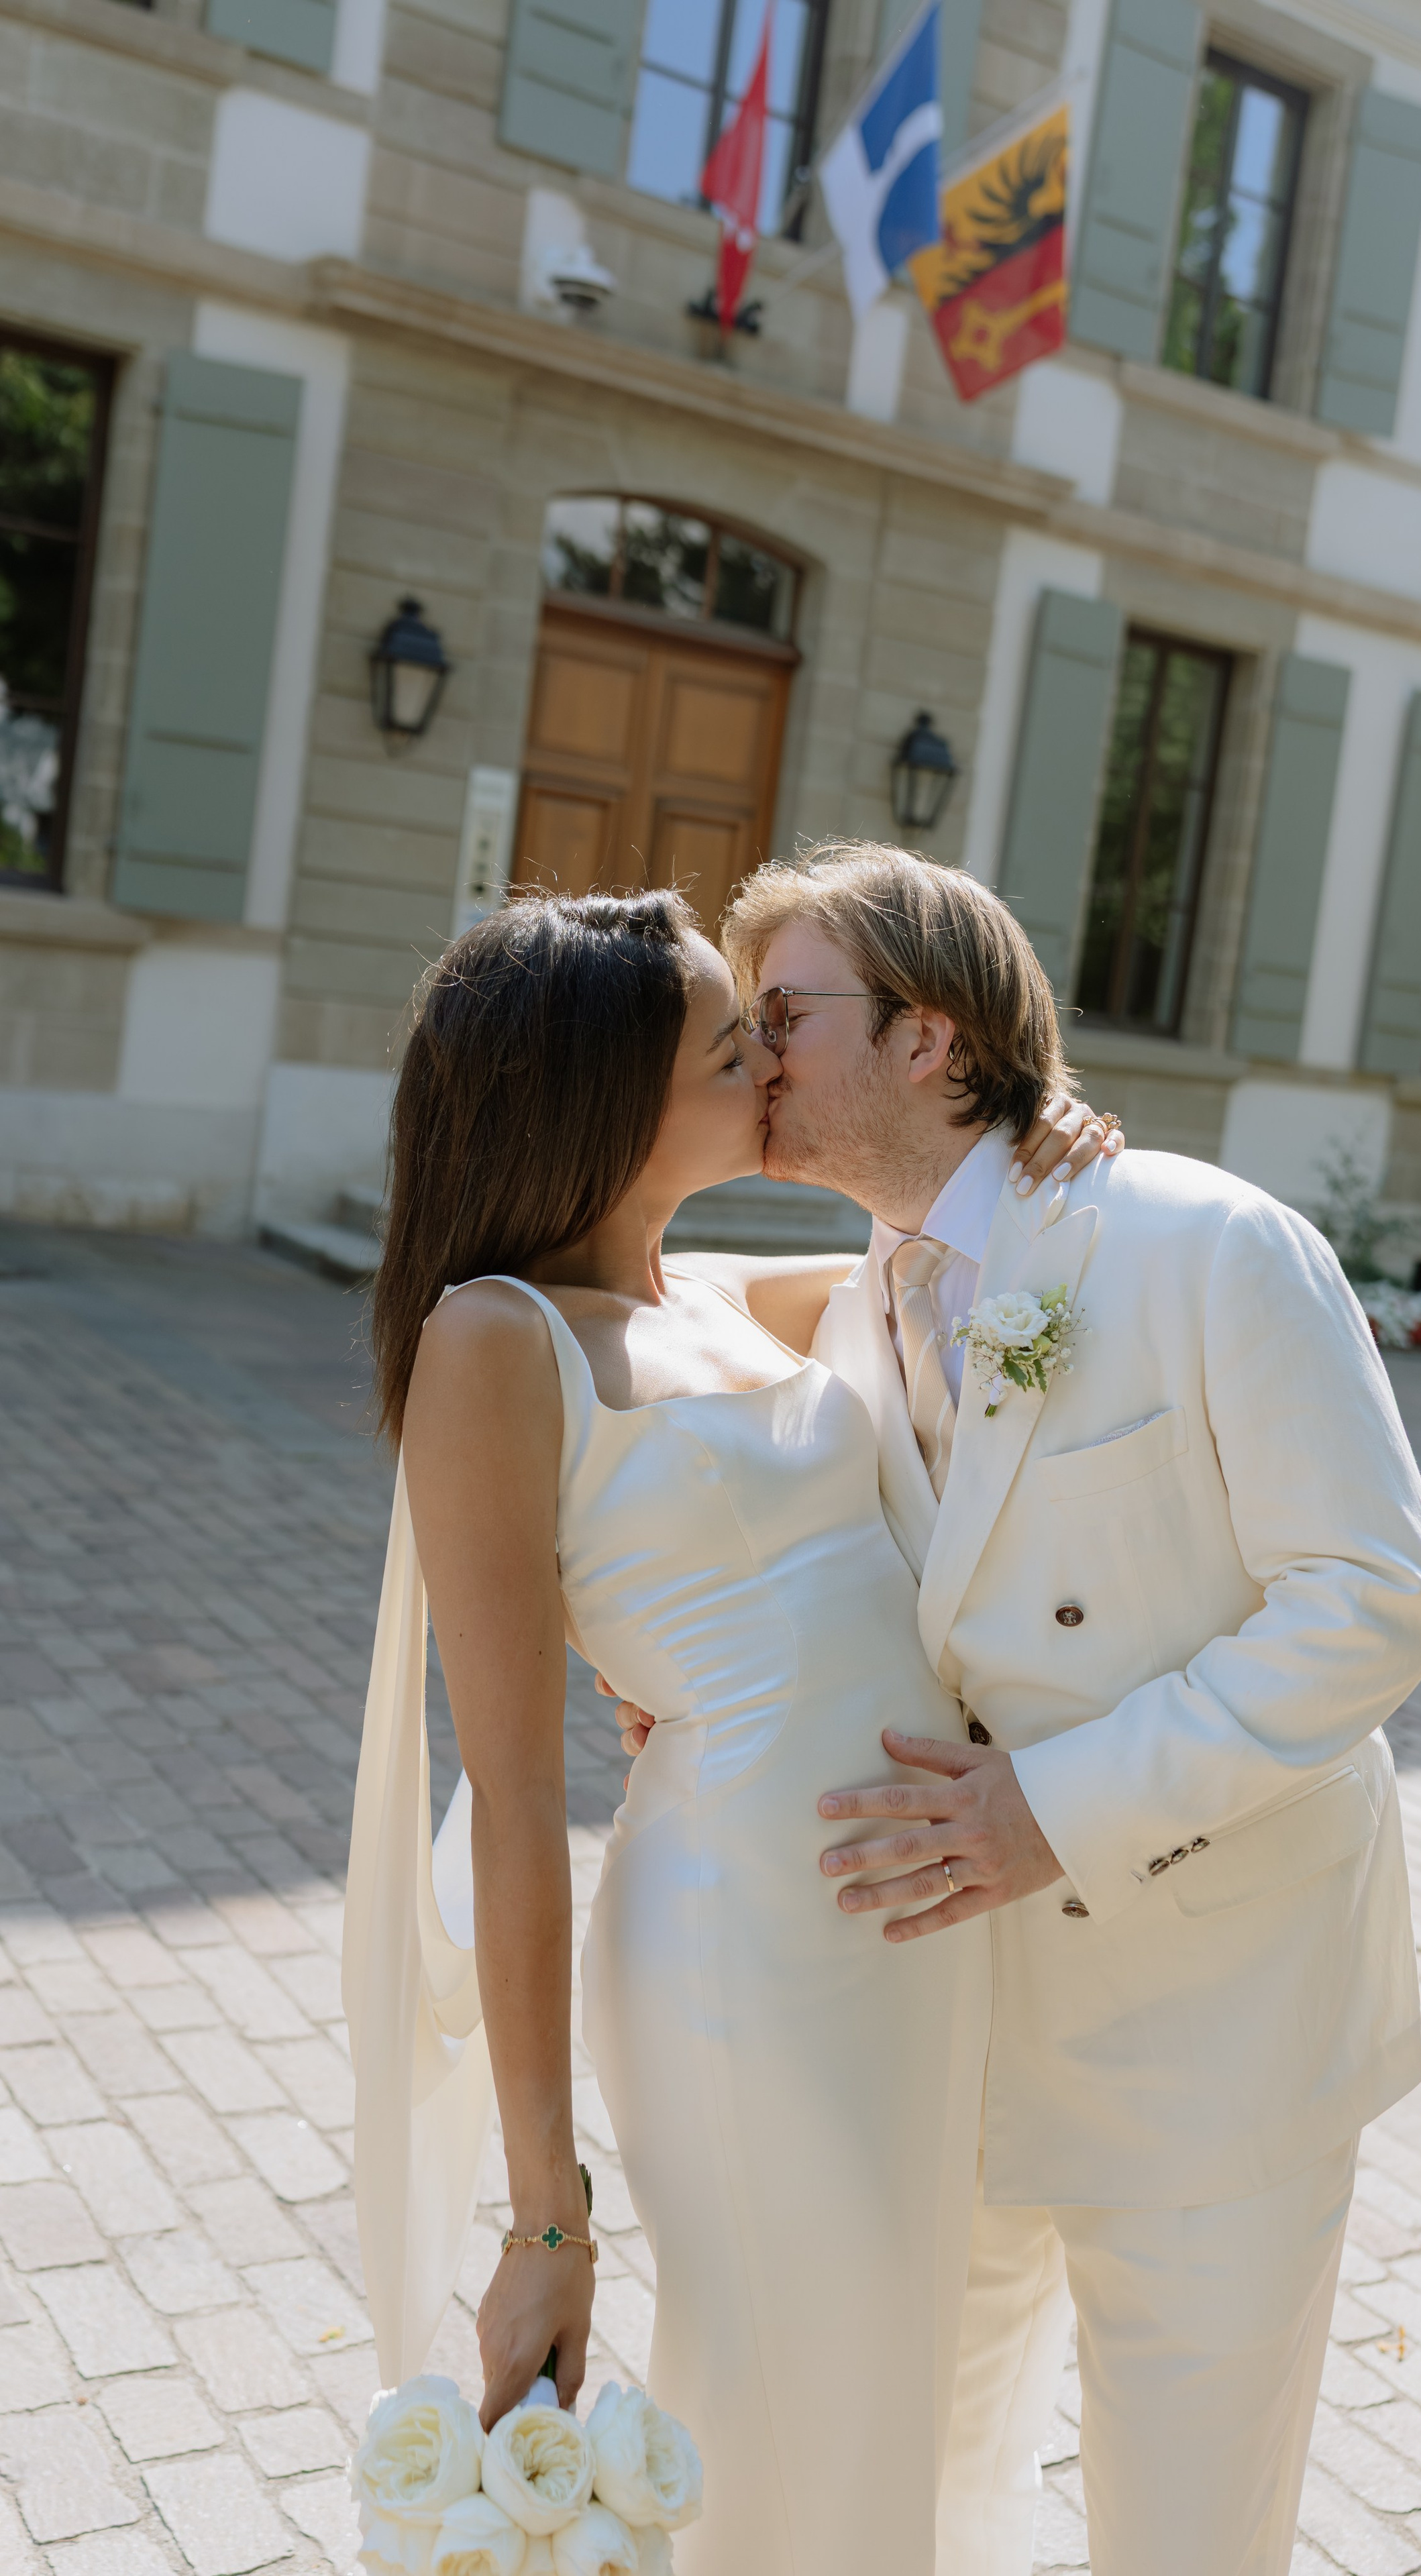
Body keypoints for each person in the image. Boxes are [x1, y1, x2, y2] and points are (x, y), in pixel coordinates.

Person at [625, 843, 1421, 2576]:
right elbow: (609, 1310)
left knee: (1185, 2543)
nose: (753, 1056)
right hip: (956, 2052)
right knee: (924, 2512)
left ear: (932, 1040)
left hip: (1225, 2043)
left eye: (785, 1016)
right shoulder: (853, 1309)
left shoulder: (1212, 1246)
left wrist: (1046, 1809)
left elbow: (1373, 1606)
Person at [339, 888, 1119, 2576]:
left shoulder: (718, 1291)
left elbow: (960, 1246)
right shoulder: (499, 1341)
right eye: (729, 1042)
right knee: (787, 2390)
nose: (770, 1059)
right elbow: (516, 1797)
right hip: (741, 1949)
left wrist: (1040, 1124)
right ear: (605, 1095)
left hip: (913, 1931)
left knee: (884, 2390)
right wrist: (547, 2210)